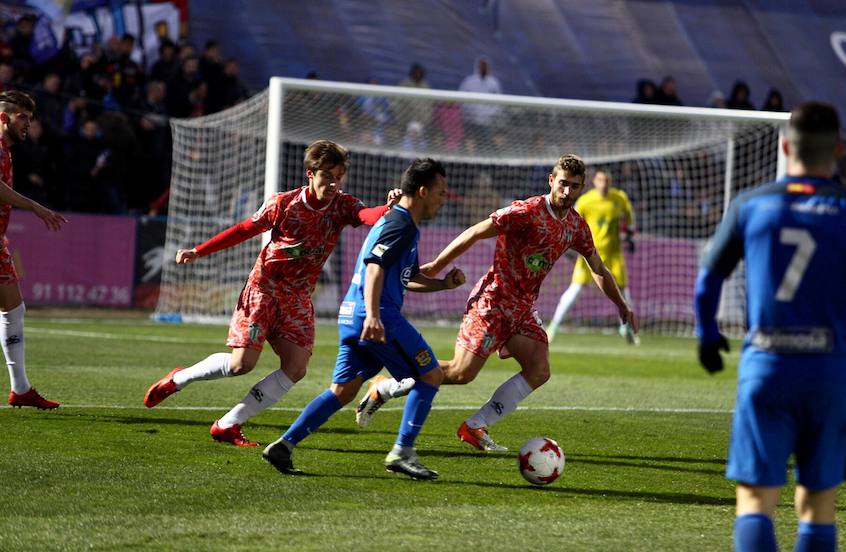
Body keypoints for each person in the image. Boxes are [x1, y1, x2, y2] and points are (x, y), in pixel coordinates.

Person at [693, 102, 846, 552]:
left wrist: (707, 336)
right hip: (830, 372)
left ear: (786, 147)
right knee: (818, 504)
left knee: (754, 499)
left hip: (767, 365)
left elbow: (709, 280)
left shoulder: (751, 204)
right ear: (840, 150)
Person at [356, 155, 637, 452]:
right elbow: (477, 231)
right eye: (563, 184)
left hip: (523, 310)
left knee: (539, 369)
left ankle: (475, 426)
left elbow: (597, 267)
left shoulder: (576, 226)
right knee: (461, 374)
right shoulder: (526, 211)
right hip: (492, 302)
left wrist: (621, 305)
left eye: (574, 187)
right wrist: (439, 264)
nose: (567, 192)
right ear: (551, 181)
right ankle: (385, 387)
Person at [143, 140, 402, 446]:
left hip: (298, 298)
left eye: (339, 176)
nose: (334, 183)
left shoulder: (343, 205)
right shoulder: (284, 203)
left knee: (296, 368)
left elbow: (367, 216)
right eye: (327, 176)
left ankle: (228, 424)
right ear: (310, 173)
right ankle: (178, 379)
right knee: (242, 365)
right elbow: (244, 229)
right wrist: (199, 251)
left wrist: (389, 206)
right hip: (264, 289)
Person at [262, 158, 465, 480]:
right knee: (430, 375)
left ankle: (285, 444)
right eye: (441, 192)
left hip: (351, 316)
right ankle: (403, 451)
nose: (444, 198)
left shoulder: (400, 223)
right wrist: (373, 315)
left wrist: (441, 284)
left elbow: (404, 276)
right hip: (376, 316)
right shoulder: (400, 223)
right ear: (423, 191)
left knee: (343, 391)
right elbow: (375, 268)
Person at [0, 91, 67, 409]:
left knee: (14, 310)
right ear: (4, 118)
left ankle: (21, 388)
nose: (29, 123)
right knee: (12, 311)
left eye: (30, 117)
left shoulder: (6, 151)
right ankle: (21, 388)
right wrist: (35, 207)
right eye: (22, 117)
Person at [546, 168, 637, 344]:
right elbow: (571, 219)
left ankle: (626, 329)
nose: (604, 185)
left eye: (607, 181)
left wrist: (630, 235)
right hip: (589, 253)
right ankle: (553, 327)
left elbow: (629, 217)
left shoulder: (620, 198)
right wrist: (568, 244)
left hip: (613, 253)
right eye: (601, 181)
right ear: (595, 182)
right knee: (575, 290)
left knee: (623, 291)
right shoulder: (586, 201)